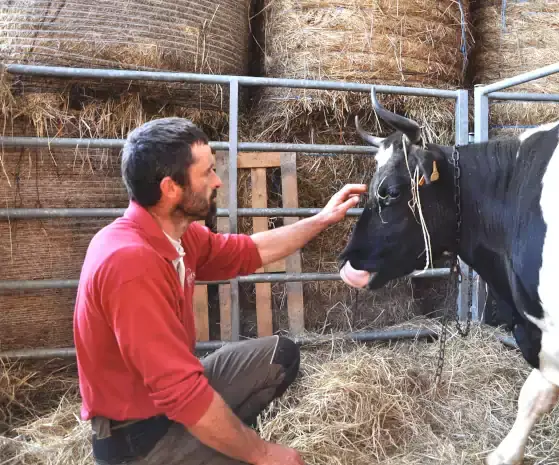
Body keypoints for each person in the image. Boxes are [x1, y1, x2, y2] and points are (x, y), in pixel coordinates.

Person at [73, 117, 366, 465]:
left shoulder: (175, 234)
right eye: (208, 172)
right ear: (171, 188)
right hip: (136, 436)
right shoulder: (130, 264)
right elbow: (182, 393)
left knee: (280, 357)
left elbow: (249, 251)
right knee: (253, 456)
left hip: (162, 405)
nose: (217, 180)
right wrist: (262, 453)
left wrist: (322, 219)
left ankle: (217, 443)